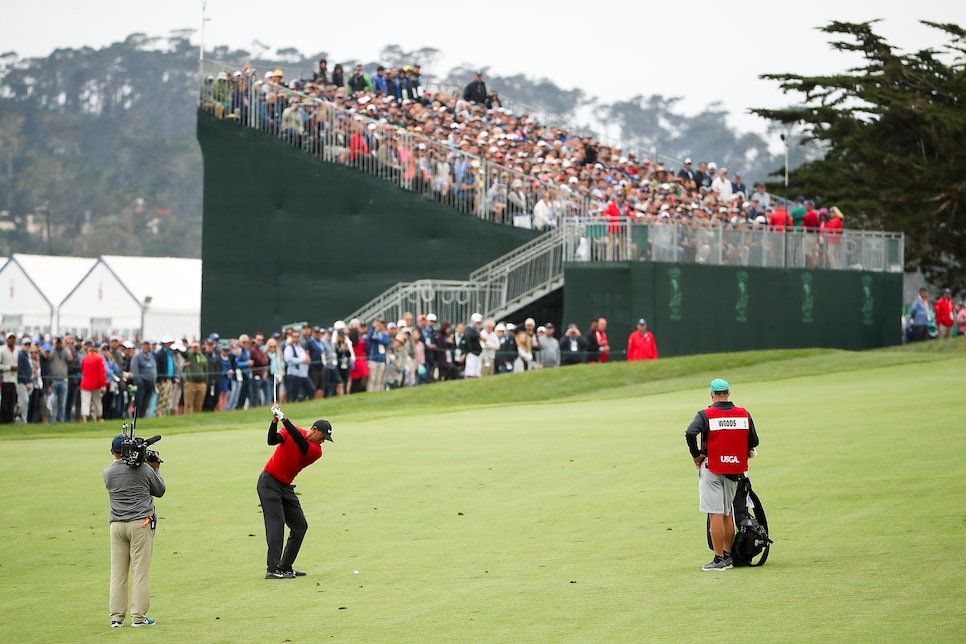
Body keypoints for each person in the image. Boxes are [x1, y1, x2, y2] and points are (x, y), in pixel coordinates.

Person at [684, 379, 759, 571]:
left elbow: (690, 432)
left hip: (713, 468)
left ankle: (718, 559)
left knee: (715, 513)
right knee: (727, 513)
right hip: (734, 470)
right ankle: (728, 555)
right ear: (728, 393)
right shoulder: (743, 414)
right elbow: (754, 441)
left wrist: (696, 454)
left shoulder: (706, 415)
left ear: (711, 395)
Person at [257, 405, 333, 579]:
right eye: (323, 437)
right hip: (268, 483)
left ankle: (284, 567)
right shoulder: (293, 431)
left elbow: (300, 442)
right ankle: (273, 569)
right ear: (314, 430)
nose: (323, 441)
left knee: (300, 526)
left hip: (284, 486)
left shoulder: (315, 451)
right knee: (277, 524)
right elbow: (271, 440)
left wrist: (284, 419)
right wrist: (275, 421)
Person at [104, 432, 166, 627]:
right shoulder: (145, 471)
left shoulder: (108, 473)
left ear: (112, 452)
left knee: (118, 572)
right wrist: (154, 468)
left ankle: (116, 617)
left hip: (117, 526)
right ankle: (138, 617)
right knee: (140, 571)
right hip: (140, 525)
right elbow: (160, 490)